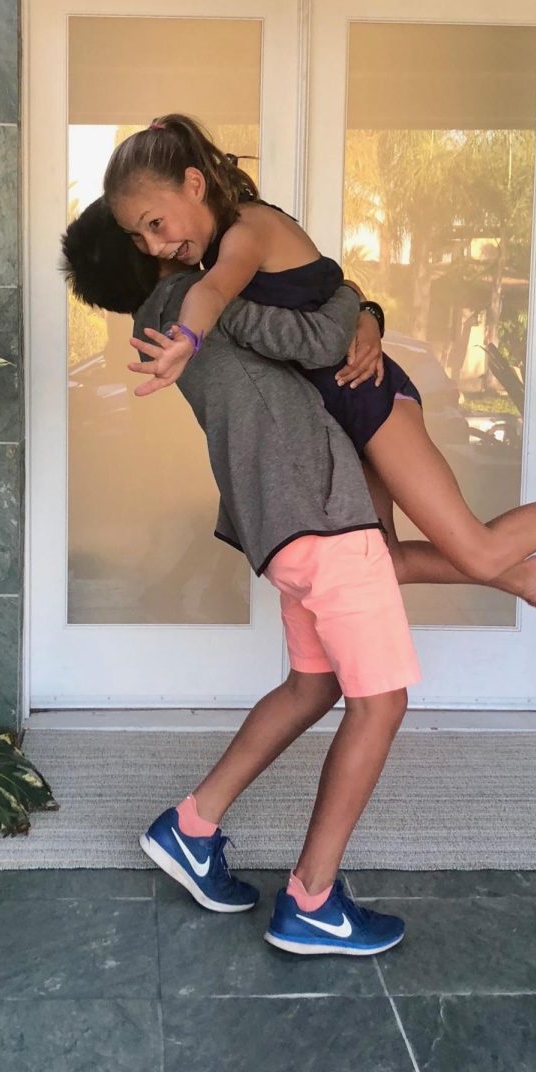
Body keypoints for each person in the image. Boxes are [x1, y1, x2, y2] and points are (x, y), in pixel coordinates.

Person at [63, 192, 536, 624]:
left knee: (476, 547)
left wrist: (363, 306)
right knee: (388, 561)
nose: (159, 239)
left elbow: (316, 309)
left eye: (154, 225)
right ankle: (517, 575)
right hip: (340, 412)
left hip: (364, 391)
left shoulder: (216, 271)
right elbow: (301, 319)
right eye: (141, 235)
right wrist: (359, 304)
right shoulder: (196, 296)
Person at [127, 254, 419, 956]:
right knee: (380, 702)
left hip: (286, 521)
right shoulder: (211, 299)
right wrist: (357, 298)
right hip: (320, 510)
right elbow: (320, 340)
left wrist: (367, 316)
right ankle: (312, 900)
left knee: (312, 685)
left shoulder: (169, 312)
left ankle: (193, 826)